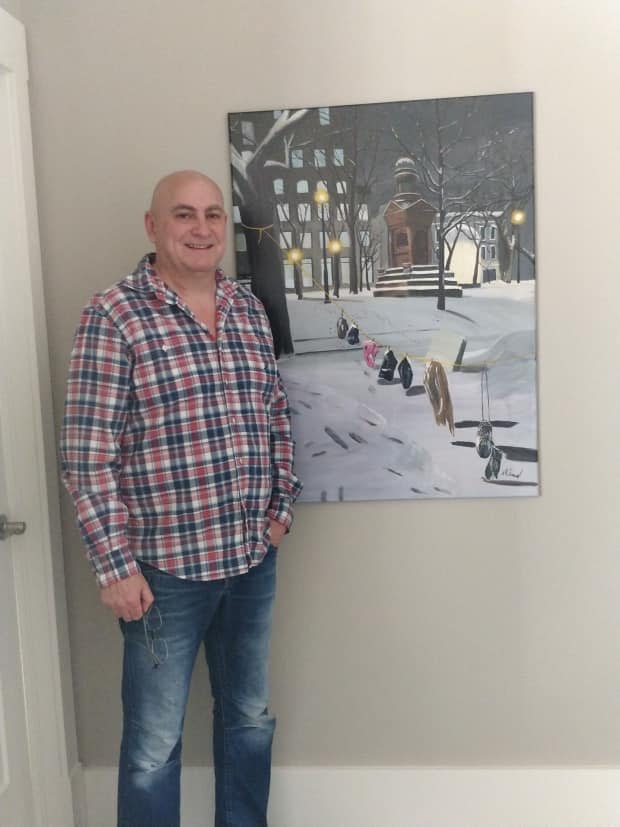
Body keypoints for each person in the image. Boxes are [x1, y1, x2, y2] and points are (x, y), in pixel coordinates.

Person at [60, 170, 302, 827]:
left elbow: (277, 416)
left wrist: (280, 509)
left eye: (213, 215)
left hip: (252, 559)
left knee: (249, 718)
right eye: (184, 215)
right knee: (152, 746)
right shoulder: (115, 315)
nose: (202, 229)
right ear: (153, 226)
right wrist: (115, 567)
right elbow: (87, 455)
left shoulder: (249, 311)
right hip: (162, 575)